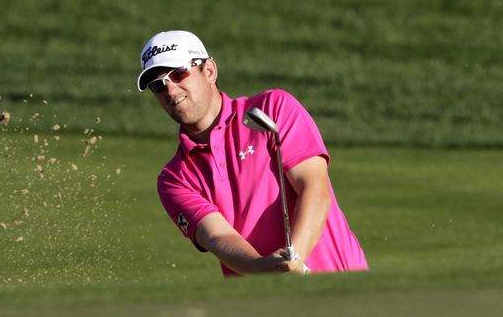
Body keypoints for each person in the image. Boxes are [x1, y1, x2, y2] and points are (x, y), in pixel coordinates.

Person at [137, 30, 368, 276]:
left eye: (179, 73)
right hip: (264, 305)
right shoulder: (175, 179)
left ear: (209, 71)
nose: (170, 91)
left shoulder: (273, 109)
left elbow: (315, 189)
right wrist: (267, 271)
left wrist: (295, 257)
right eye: (158, 84)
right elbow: (218, 237)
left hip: (342, 287)